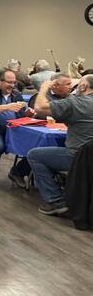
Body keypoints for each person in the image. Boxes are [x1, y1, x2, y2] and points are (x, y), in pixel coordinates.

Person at [28, 75, 93, 215]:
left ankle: (56, 200)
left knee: (35, 155)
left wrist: (44, 87)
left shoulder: (77, 103)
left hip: (80, 158)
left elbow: (39, 107)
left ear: (83, 87)